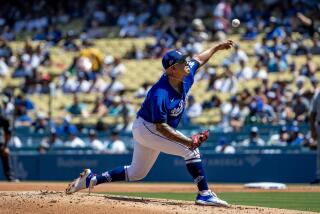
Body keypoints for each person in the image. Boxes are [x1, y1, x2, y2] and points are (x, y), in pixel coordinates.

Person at [66, 40, 234, 206]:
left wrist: (217, 47)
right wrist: (189, 142)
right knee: (191, 151)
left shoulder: (186, 74)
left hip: (148, 127)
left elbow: (199, 59)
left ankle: (91, 180)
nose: (187, 63)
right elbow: (160, 127)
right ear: (172, 69)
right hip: (149, 128)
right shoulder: (160, 94)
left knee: (136, 172)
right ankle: (204, 194)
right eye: (182, 62)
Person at [0, 113, 16, 181]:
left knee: (5, 154)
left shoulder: (3, 120)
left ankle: (10, 177)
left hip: (1, 144)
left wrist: (5, 146)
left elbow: (8, 134)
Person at [310, 90, 320, 184]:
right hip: (319, 125)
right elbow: (312, 113)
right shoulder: (318, 93)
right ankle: (319, 177)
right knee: (319, 153)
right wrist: (312, 129)